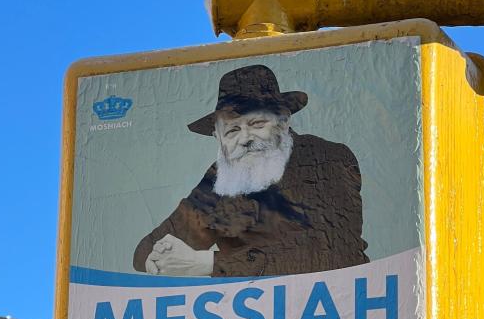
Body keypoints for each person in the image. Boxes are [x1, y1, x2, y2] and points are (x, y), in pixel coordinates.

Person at [133, 64, 368, 278]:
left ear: (283, 121)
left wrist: (209, 264)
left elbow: (333, 252)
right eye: (232, 130)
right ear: (218, 138)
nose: (245, 138)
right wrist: (159, 256)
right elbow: (147, 248)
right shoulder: (221, 177)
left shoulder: (326, 158)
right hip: (251, 314)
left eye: (256, 124)